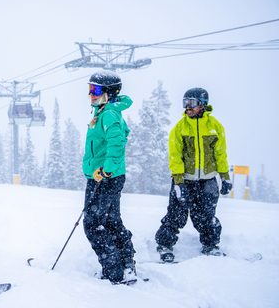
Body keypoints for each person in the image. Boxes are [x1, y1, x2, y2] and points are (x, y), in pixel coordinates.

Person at [155, 87, 233, 262]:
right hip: (185, 180)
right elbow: (175, 156)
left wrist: (225, 177)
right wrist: (178, 181)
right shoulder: (180, 128)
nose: (187, 107)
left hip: (208, 180)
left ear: (203, 105)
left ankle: (210, 245)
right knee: (176, 214)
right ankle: (165, 245)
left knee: (206, 216)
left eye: (191, 103)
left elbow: (221, 154)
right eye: (185, 103)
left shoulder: (215, 127)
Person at [82, 70, 136, 284]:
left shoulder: (109, 114)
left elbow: (118, 142)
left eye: (95, 90)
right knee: (111, 221)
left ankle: (114, 271)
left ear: (109, 92)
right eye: (89, 89)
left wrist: (107, 170)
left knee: (93, 223)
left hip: (104, 177)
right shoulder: (105, 112)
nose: (91, 95)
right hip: (106, 176)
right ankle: (126, 264)